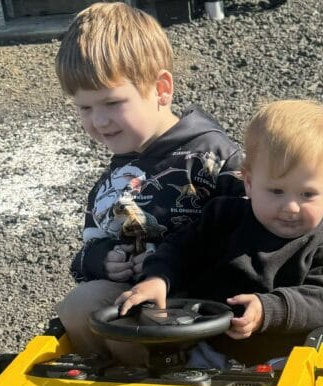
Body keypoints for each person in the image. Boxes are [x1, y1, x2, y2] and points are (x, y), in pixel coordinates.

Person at [54, 2, 244, 358]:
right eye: (84, 108)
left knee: (129, 327)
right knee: (80, 306)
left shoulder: (211, 157)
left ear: (161, 89)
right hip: (135, 303)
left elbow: (250, 236)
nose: (99, 121)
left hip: (203, 306)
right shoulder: (115, 179)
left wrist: (171, 267)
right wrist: (103, 259)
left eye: (112, 103)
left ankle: (181, 380)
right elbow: (88, 248)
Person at [117, 99, 323, 367]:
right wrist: (158, 278)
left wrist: (269, 310)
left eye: (308, 194)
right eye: (276, 191)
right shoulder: (224, 216)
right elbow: (181, 248)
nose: (291, 207)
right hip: (208, 345)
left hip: (284, 357)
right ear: (249, 182)